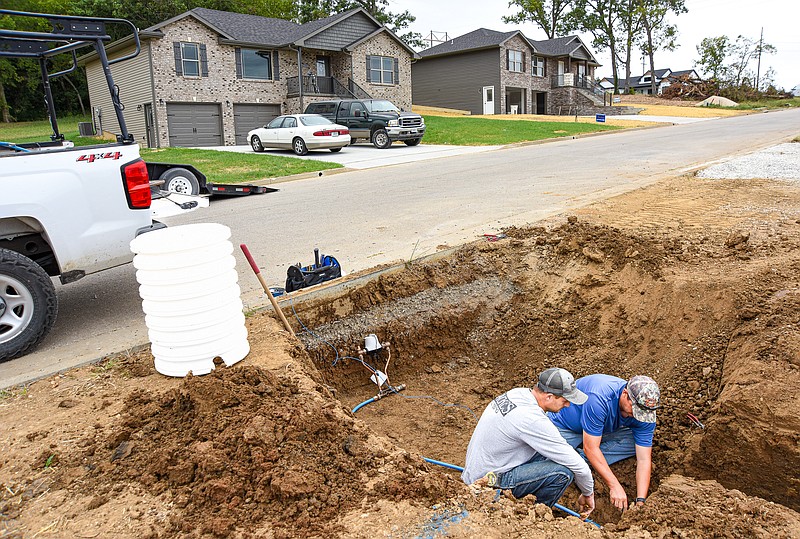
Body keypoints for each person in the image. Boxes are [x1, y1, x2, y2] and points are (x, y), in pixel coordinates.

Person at [462, 367, 595, 516]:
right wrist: (588, 494)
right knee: (563, 473)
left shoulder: (517, 393)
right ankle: (534, 516)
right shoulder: (532, 420)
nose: (568, 405)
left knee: (561, 455)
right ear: (549, 397)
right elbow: (579, 467)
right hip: (489, 482)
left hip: (478, 469)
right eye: (564, 400)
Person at [548, 374, 661, 512]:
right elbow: (590, 448)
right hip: (566, 425)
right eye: (636, 410)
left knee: (636, 444)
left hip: (601, 428)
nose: (639, 416)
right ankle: (572, 459)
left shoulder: (645, 414)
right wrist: (614, 485)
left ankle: (579, 458)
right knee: (545, 456)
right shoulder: (599, 397)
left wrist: (640, 501)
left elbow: (644, 459)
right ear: (625, 394)